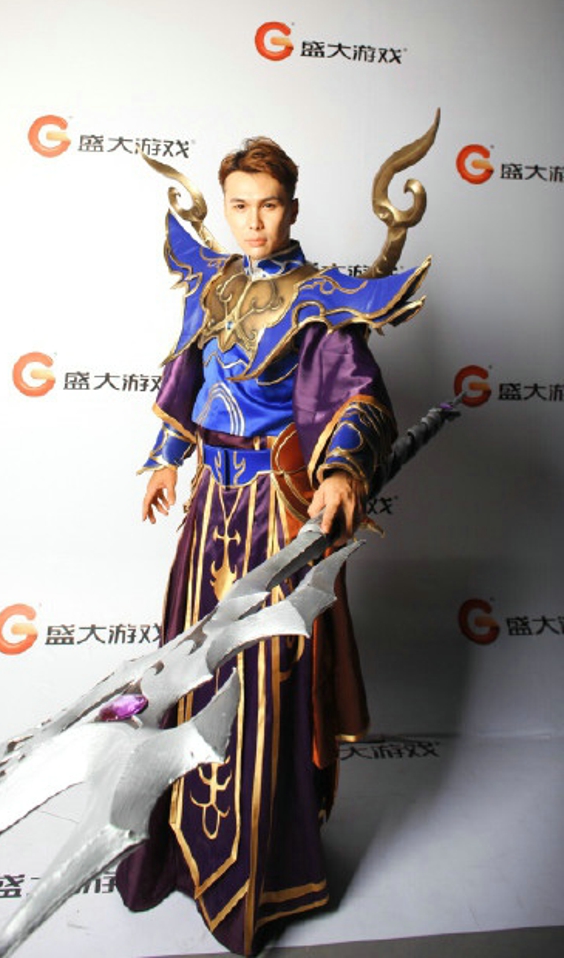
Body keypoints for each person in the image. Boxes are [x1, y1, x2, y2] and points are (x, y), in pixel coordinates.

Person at [116, 138, 429, 955]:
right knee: (190, 670)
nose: (253, 222)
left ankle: (258, 871)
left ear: (291, 206)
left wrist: (343, 469)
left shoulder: (320, 298)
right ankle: (179, 851)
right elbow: (189, 379)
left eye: (269, 205)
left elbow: (358, 399)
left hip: (274, 512)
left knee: (262, 680)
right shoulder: (213, 283)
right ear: (226, 207)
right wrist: (164, 460)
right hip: (209, 509)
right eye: (239, 206)